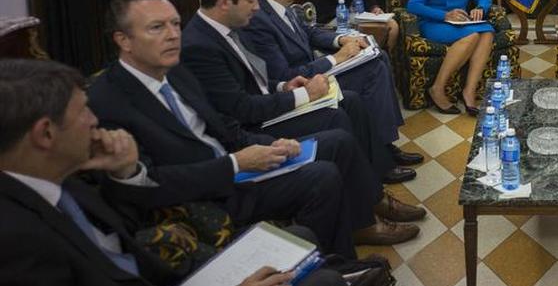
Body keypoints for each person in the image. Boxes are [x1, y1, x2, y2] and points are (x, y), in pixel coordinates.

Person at [87, 0, 421, 252]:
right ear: (124, 40)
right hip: (209, 191)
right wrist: (236, 163)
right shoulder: (107, 101)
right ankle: (339, 257)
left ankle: (356, 231)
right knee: (323, 174)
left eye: (175, 24)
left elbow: (222, 126)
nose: (174, 35)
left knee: (338, 140)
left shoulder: (173, 71)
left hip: (238, 157)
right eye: (157, 27)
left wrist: (268, 145)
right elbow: (145, 181)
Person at [0, 58, 357, 285]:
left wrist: (126, 171)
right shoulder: (17, 243)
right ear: (45, 134)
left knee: (301, 237)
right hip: (206, 199)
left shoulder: (60, 183)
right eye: (82, 113)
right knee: (322, 279)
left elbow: (124, 234)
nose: (94, 121)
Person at [180, 0, 416, 185]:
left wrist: (284, 86)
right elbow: (243, 105)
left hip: (283, 89)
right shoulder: (207, 43)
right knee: (342, 111)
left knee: (356, 91)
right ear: (224, 1)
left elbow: (260, 75)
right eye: (250, 0)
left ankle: (380, 161)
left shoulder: (237, 24)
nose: (256, 5)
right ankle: (373, 184)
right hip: (257, 124)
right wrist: (306, 92)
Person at [243, 0, 423, 169]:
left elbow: (310, 33)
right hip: (304, 84)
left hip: (316, 71)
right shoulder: (260, 21)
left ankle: (384, 144)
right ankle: (382, 154)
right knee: (373, 70)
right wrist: (337, 58)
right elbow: (285, 76)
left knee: (380, 57)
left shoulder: (283, 7)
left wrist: (342, 39)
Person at [406, 0, 495, 115]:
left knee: (487, 32)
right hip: (434, 24)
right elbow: (413, 5)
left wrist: (481, 7)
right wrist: (445, 15)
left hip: (460, 24)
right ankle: (437, 88)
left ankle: (469, 92)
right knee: (472, 36)